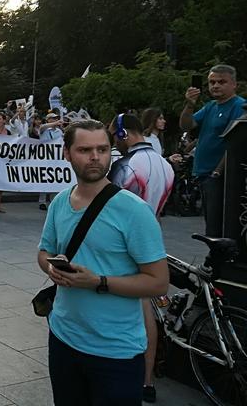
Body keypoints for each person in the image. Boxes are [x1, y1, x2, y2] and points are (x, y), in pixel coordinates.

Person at [38, 120, 169, 406]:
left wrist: (98, 282)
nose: (95, 157)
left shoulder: (134, 210)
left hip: (115, 352)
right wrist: (51, 268)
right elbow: (44, 251)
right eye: (85, 149)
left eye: (102, 149)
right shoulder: (60, 202)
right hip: (63, 338)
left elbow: (158, 281)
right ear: (67, 154)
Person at [107, 113, 175, 403]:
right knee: (146, 307)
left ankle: (125, 372)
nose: (113, 142)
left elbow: (107, 203)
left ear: (124, 133)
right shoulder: (165, 164)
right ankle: (147, 380)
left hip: (124, 242)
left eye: (114, 136)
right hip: (152, 235)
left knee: (132, 308)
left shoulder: (126, 164)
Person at [179, 64, 246, 236]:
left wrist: (217, 171)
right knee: (210, 221)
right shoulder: (210, 106)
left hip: (221, 177)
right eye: (211, 82)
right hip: (204, 173)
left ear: (234, 84)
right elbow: (186, 125)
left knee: (219, 224)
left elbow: (236, 144)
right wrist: (189, 104)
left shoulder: (239, 106)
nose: (215, 86)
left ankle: (221, 260)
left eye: (221, 82)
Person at [37, 112, 64, 211]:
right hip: (45, 158)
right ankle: (42, 201)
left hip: (56, 158)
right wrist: (54, 123)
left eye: (56, 118)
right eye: (52, 118)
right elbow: (42, 127)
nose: (55, 120)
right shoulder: (44, 130)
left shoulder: (59, 131)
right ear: (48, 120)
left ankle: (53, 201)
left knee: (54, 178)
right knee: (45, 179)